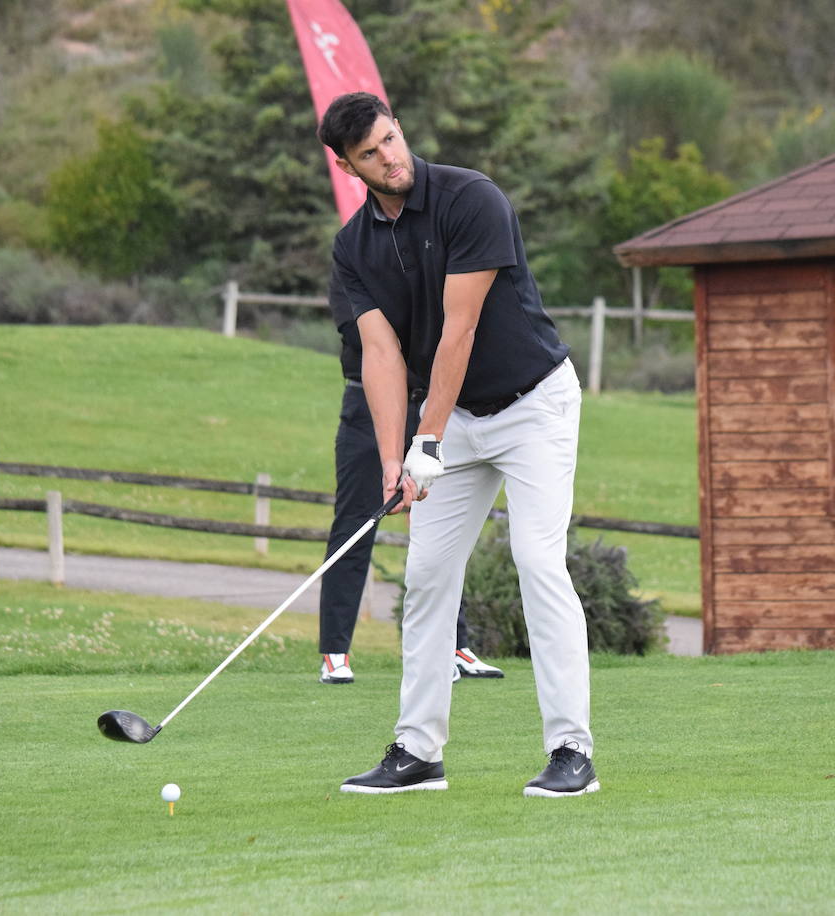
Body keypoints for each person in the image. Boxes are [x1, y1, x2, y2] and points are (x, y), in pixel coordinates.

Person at [317, 92, 597, 798]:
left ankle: (571, 751)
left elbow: (458, 330)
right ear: (349, 167)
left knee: (538, 560)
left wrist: (428, 440)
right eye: (371, 154)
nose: (390, 157)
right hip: (455, 421)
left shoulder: (471, 198)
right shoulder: (353, 249)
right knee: (429, 575)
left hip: (533, 403)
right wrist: (393, 459)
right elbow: (381, 356)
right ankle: (417, 752)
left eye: (392, 139)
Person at [317, 276, 503, 686]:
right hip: (368, 404)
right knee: (354, 522)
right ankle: (335, 653)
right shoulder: (354, 257)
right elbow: (358, 332)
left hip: (427, 402)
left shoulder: (420, 254)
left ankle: (455, 645)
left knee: (439, 526)